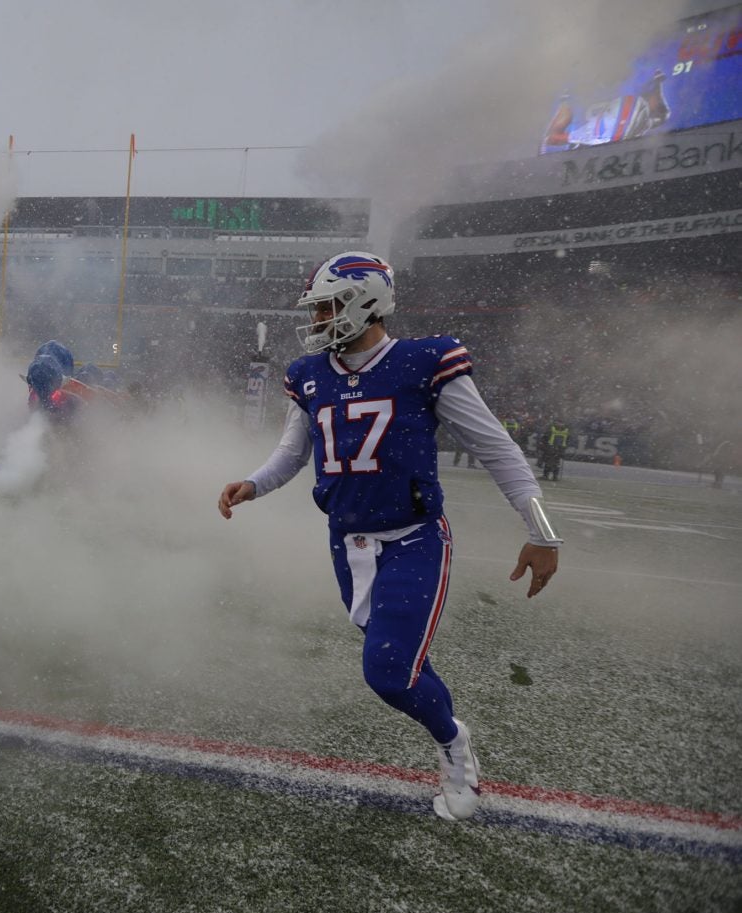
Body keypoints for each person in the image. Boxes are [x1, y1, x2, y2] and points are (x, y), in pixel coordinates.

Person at [217, 252, 561, 822]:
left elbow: (497, 446)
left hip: (413, 537)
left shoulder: (423, 361)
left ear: (365, 299)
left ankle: (454, 744)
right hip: (346, 542)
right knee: (396, 662)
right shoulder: (309, 372)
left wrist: (542, 532)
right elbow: (293, 452)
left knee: (387, 668)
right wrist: (253, 484)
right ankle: (446, 723)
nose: (320, 317)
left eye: (328, 305)